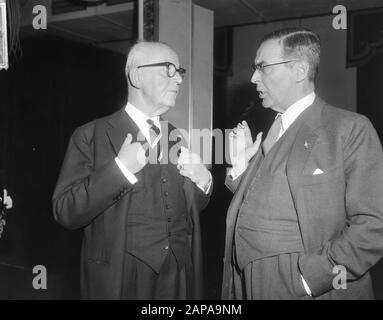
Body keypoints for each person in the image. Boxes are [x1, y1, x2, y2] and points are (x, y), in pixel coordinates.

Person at [222, 27, 383, 300]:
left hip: (304, 286)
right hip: (246, 281)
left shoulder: (349, 128)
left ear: (299, 70)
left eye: (263, 67)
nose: (253, 77)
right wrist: (240, 168)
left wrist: (312, 278)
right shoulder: (272, 128)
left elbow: (374, 225)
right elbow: (263, 199)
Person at [52, 41, 212, 300]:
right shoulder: (90, 135)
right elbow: (65, 211)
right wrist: (121, 169)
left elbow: (184, 208)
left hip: (178, 272)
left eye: (179, 72)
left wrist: (203, 182)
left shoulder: (176, 137)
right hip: (122, 274)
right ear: (137, 75)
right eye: (168, 70)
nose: (179, 80)